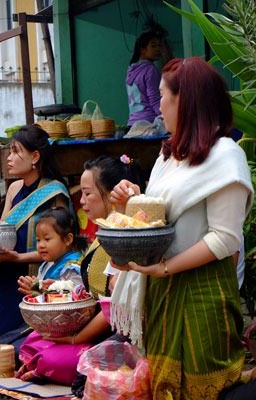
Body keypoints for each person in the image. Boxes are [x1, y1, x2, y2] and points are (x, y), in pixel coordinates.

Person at [111, 58, 253, 399]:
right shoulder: (168, 156)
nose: (157, 105)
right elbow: (161, 217)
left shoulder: (225, 156)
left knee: (202, 387)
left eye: (162, 95)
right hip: (162, 289)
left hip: (201, 290)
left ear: (185, 101)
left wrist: (164, 267)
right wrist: (132, 202)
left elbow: (225, 238)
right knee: (164, 383)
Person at [15, 155, 144, 388]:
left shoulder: (121, 237)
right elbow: (83, 293)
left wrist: (74, 338)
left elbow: (111, 309)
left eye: (88, 193)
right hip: (87, 331)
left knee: (47, 357)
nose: (81, 201)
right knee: (30, 342)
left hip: (107, 335)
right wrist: (44, 289)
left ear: (110, 193)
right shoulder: (101, 234)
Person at [0, 125, 71, 343]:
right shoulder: (13, 189)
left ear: (35, 157)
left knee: (6, 341)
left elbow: (61, 249)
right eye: (9, 151)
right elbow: (4, 232)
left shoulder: (54, 192)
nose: (9, 158)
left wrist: (20, 258)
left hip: (33, 279)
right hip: (7, 275)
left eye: (15, 151)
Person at [126, 31, 162, 127]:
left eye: (159, 46)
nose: (158, 49)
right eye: (153, 46)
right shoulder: (150, 69)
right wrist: (166, 118)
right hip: (149, 123)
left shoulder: (131, 70)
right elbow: (155, 99)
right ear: (142, 49)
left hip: (132, 123)